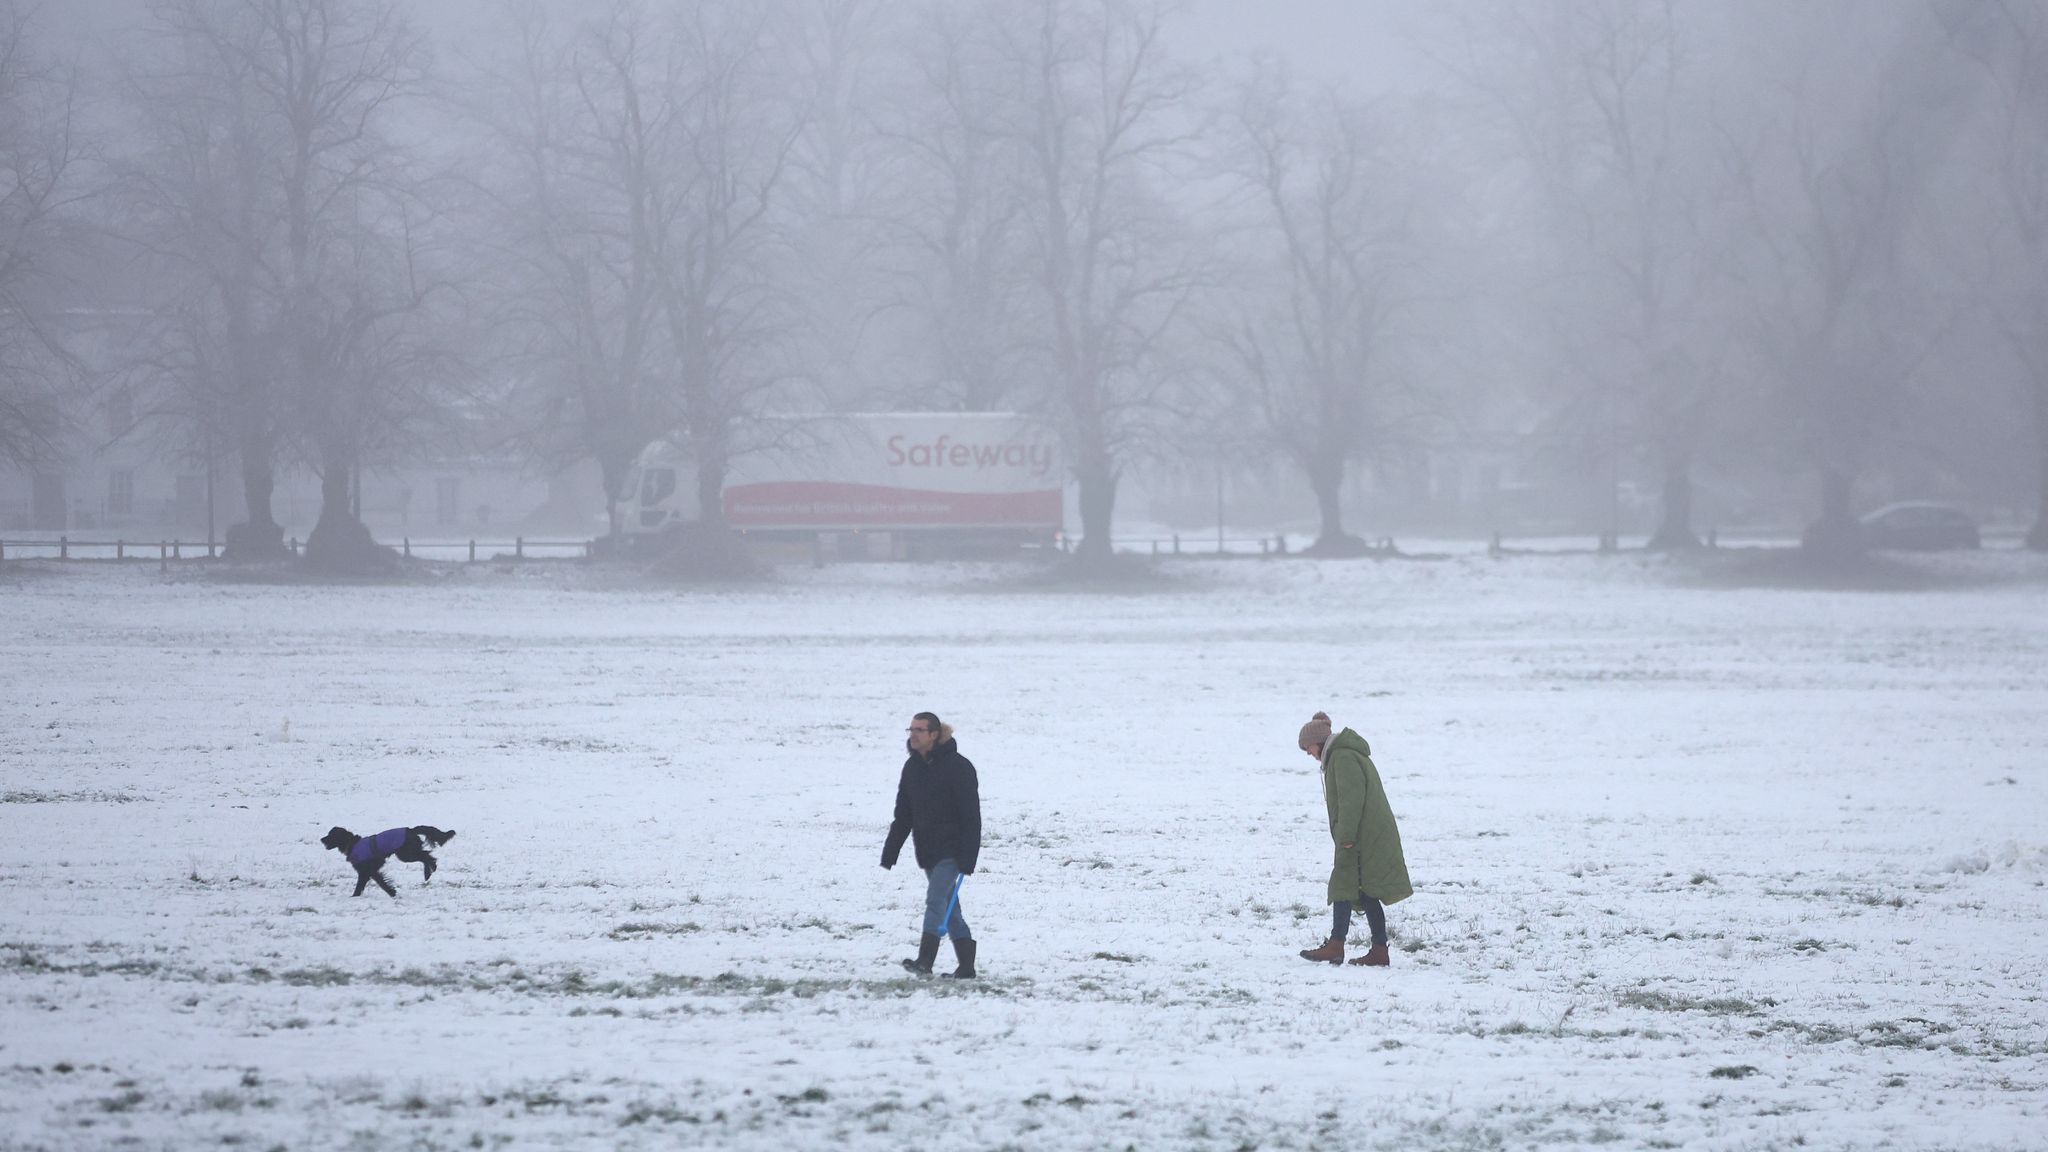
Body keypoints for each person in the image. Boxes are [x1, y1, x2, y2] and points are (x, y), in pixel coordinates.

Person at [1296, 711, 1412, 966]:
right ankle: (1379, 951)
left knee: (1342, 885)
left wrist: (1346, 836)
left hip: (1359, 834)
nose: (1308, 753)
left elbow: (1351, 800)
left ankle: (1336, 946)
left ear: (1318, 741)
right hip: (1365, 831)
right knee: (1365, 890)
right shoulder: (1342, 755)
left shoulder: (1343, 757)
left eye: (1308, 747)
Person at [882, 712, 982, 979]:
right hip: (927, 850)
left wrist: (969, 856)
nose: (913, 735)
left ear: (934, 734)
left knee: (936, 900)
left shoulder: (959, 767)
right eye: (910, 729)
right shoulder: (912, 768)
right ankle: (967, 967)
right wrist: (891, 850)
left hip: (953, 850)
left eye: (919, 730)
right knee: (950, 910)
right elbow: (904, 813)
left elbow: (972, 816)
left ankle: (925, 961)